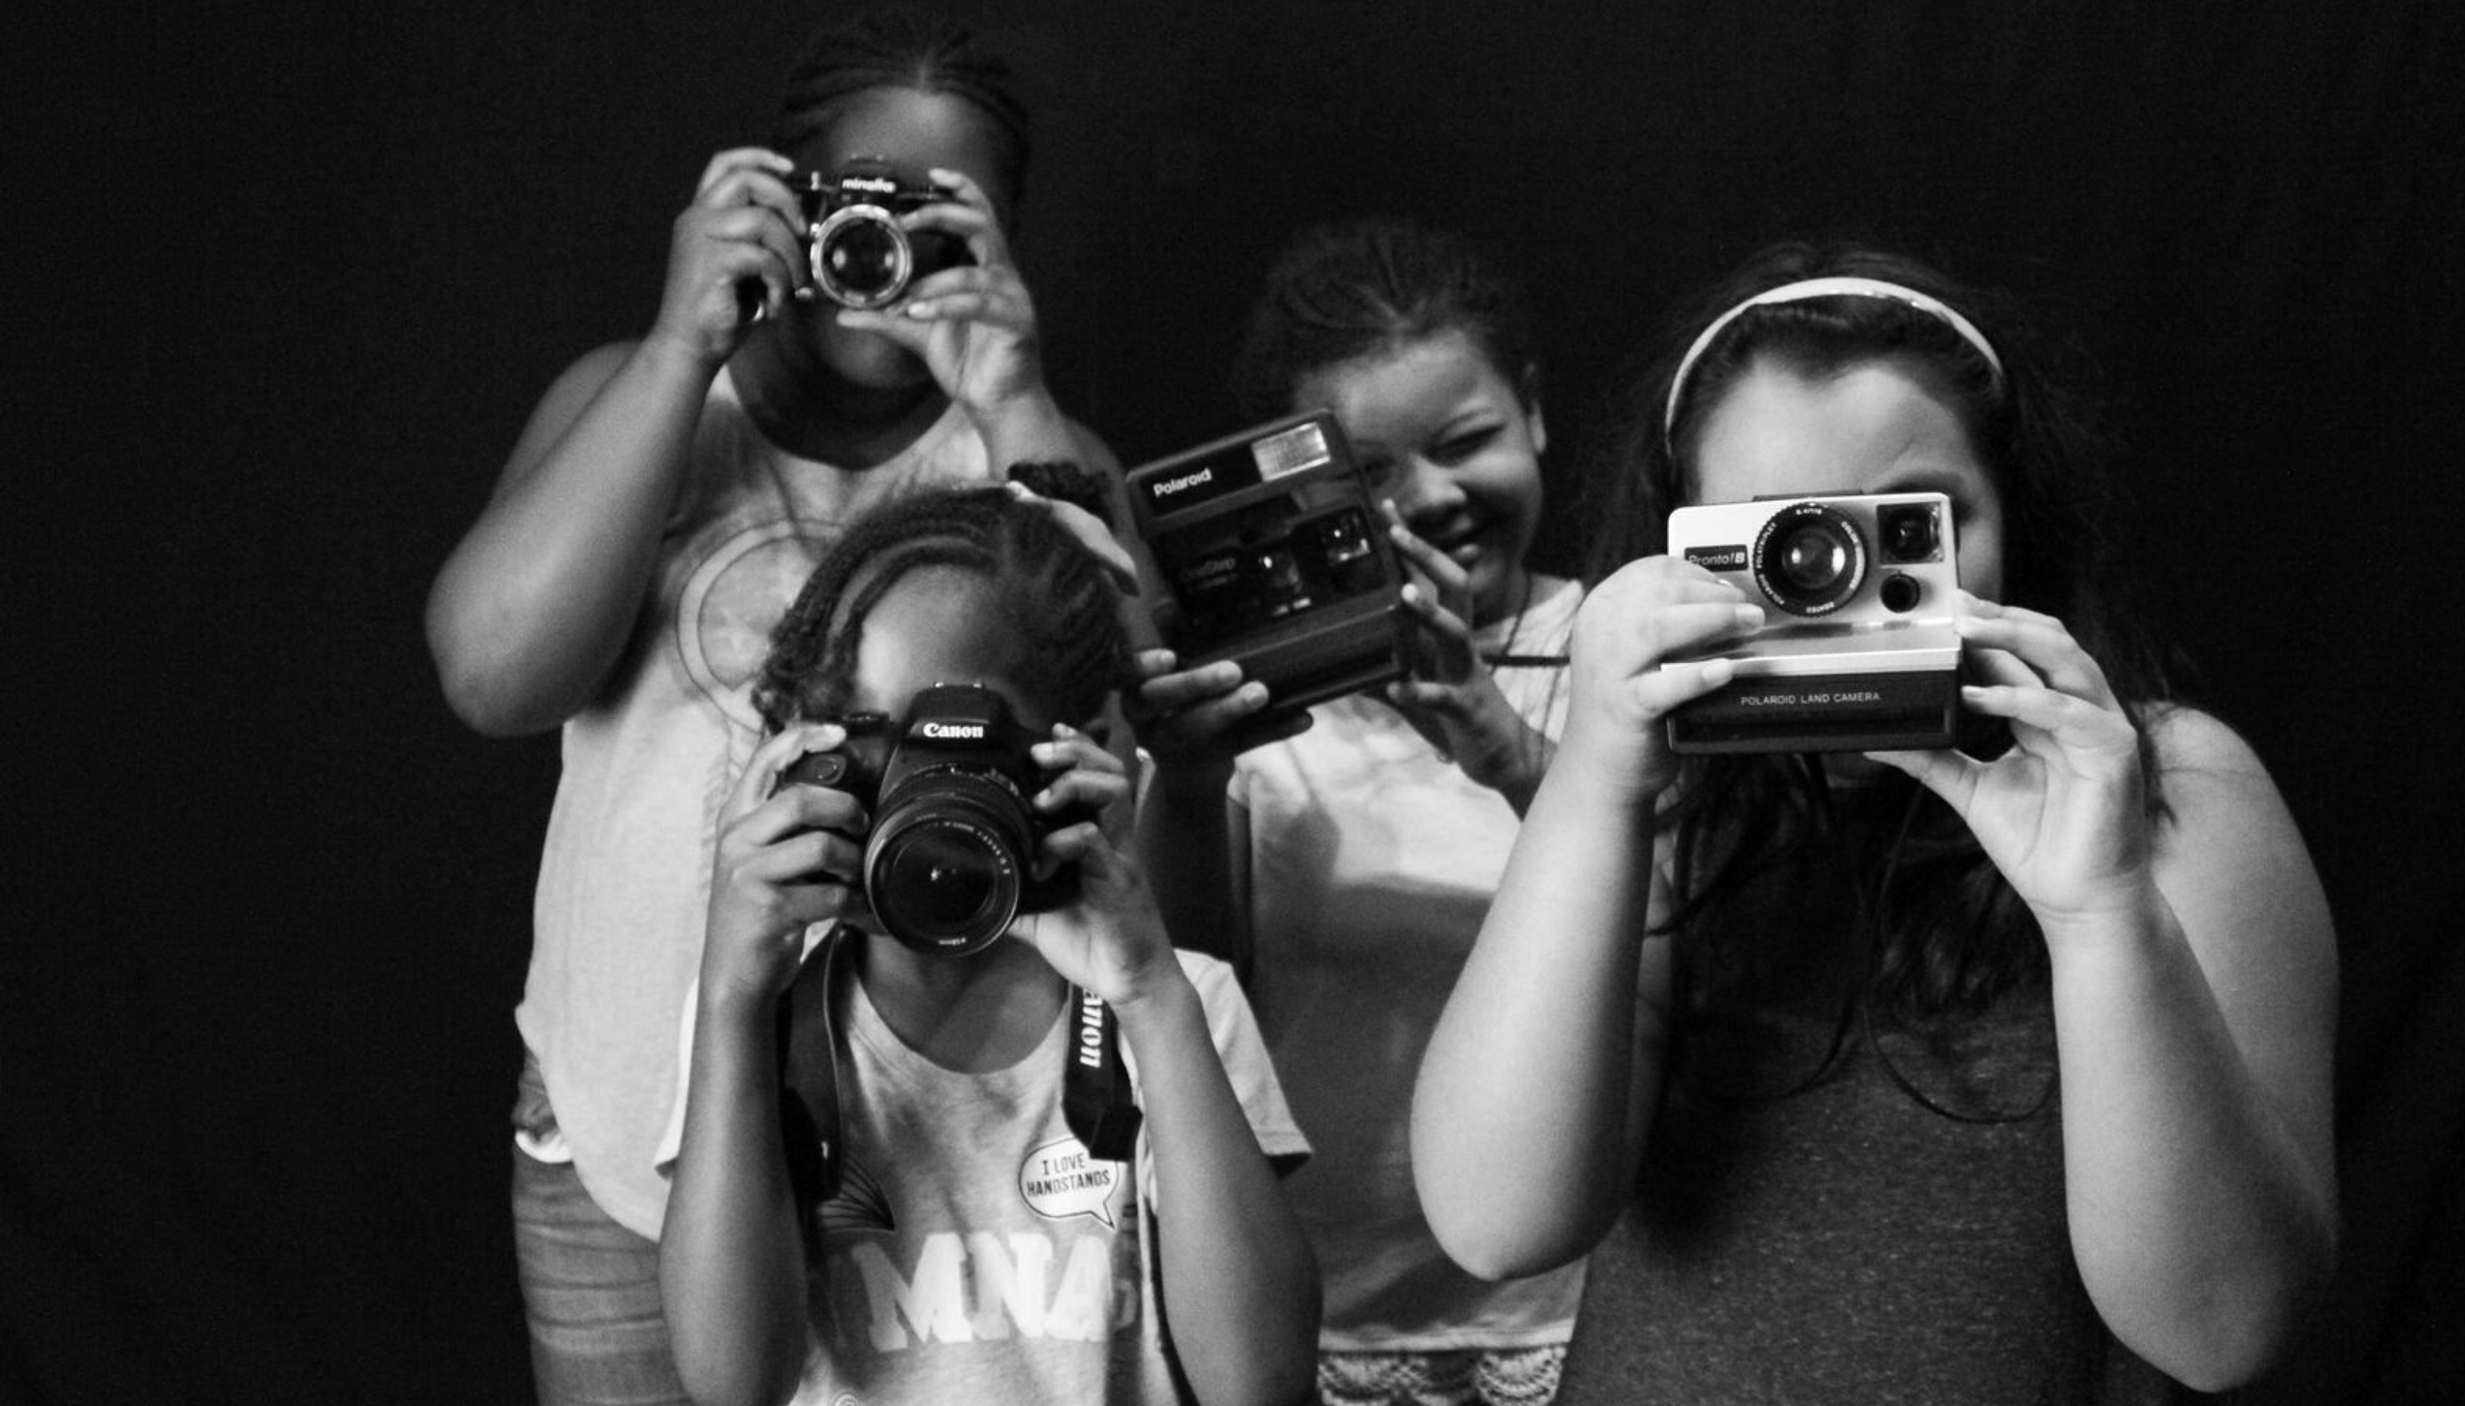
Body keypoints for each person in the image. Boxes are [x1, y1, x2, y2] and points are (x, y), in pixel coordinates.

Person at [1409, 243, 2338, 1402]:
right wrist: (1595, 781)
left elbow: (2225, 1326)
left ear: (2015, 525)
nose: (1832, 582)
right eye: (1779, 541)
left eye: (1910, 524)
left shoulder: (2169, 787)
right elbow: (1497, 1219)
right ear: (1679, 551)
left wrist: (2100, 911)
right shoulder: (1668, 808)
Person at [422, 13, 1117, 1401]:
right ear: (781, 202)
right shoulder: (639, 400)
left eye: (939, 216)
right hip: (623, 1127)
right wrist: (686, 342)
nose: (884, 255)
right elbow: (496, 674)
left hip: (930, 1163)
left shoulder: (1024, 447)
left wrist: (1014, 395)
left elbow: (1140, 710)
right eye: (858, 200)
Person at [659, 484, 1318, 1406]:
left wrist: (1150, 996)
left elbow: (1262, 1384)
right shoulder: (762, 1019)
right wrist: (733, 995)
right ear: (802, 748)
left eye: (961, 747)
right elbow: (734, 1383)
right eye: (878, 740)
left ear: (1078, 753)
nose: (916, 790)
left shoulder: (1178, 1003)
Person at [1137, 220, 1585, 1405]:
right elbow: (1184, 992)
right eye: (1370, 475)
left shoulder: (1617, 649)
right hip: (1322, 1319)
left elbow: (1685, 928)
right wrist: (1185, 786)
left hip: (1583, 1308)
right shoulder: (1260, 715)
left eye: (1466, 441)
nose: (1432, 498)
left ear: (1533, 413)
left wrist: (1505, 746)